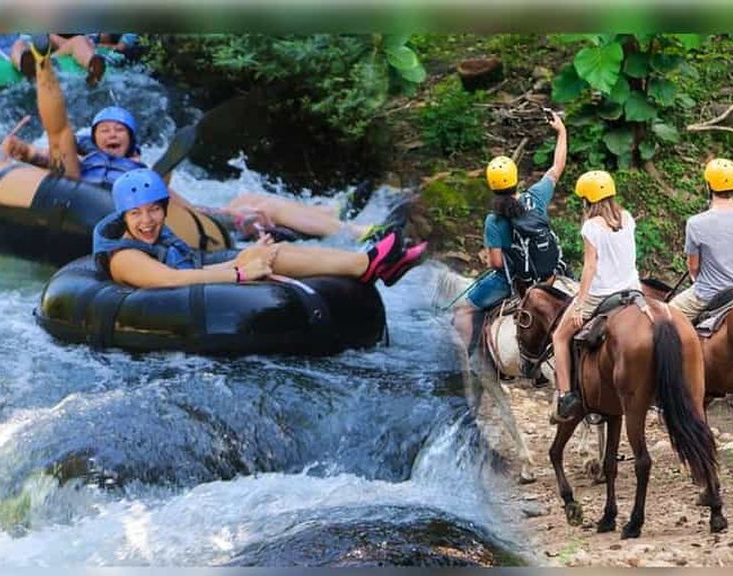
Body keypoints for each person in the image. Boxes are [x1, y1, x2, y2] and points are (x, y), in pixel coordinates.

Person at [0, 36, 393, 243]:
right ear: (94, 139)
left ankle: (336, 220)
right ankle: (41, 60)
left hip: (163, 205)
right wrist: (23, 154)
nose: (113, 133)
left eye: (120, 129)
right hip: (97, 198)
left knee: (249, 203)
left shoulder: (137, 161)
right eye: (105, 129)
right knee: (63, 145)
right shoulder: (82, 161)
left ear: (133, 143)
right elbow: (59, 137)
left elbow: (170, 204)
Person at [93, 169, 427, 290]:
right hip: (173, 303)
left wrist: (247, 259)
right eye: (136, 214)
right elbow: (172, 279)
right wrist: (239, 273)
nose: (147, 221)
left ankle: (371, 263)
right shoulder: (125, 257)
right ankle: (368, 264)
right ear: (123, 216)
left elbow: (190, 265)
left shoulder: (157, 235)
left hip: (193, 284)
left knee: (269, 252)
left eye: (154, 210)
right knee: (264, 259)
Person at [452, 111, 567, 353]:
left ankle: (464, 358)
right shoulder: (535, 197)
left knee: (463, 307)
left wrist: (513, 257)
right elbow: (557, 167)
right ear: (516, 178)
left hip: (513, 280)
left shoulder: (494, 220)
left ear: (492, 185)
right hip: (549, 274)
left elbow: (495, 262)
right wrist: (561, 131)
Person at [669, 158, 733, 404]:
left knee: (666, 317)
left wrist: (696, 277)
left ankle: (674, 381)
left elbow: (694, 266)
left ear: (708, 185)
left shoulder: (696, 223)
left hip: (709, 293)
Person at [552, 170, 640, 422]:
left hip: (602, 294)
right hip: (632, 291)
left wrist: (580, 305)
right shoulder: (627, 217)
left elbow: (590, 267)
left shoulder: (591, 227)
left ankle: (566, 395)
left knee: (559, 336)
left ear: (588, 200)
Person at [0, 33, 104, 86]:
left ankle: (92, 65)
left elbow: (60, 42)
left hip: (45, 58)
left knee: (78, 40)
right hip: (8, 58)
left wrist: (87, 45)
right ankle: (28, 68)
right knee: (19, 44)